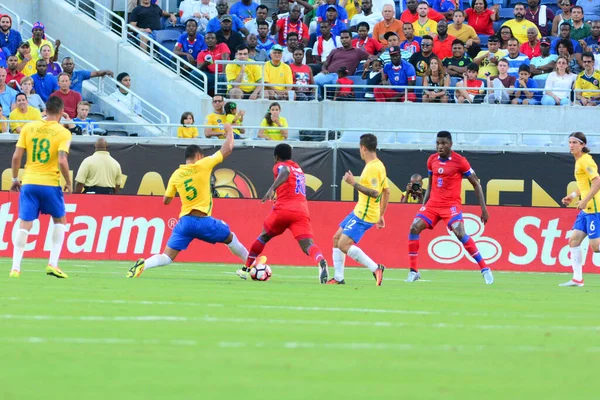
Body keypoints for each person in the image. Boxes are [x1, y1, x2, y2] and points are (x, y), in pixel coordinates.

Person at [127, 125, 250, 279]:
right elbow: (227, 149)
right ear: (199, 156)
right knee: (230, 238)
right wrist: (230, 131)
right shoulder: (203, 164)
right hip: (203, 220)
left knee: (167, 257)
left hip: (185, 223)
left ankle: (144, 264)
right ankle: (251, 264)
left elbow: (166, 200)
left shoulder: (176, 174)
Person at [407, 131, 492, 284]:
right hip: (433, 205)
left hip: (450, 206)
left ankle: (485, 268)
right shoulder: (431, 160)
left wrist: (484, 210)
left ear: (450, 144)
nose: (440, 146)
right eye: (438, 143)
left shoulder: (460, 161)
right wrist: (423, 207)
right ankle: (413, 272)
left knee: (460, 233)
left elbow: (476, 184)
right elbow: (431, 185)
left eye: (443, 143)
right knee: (414, 227)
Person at [236, 143, 330, 282]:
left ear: (276, 157)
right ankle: (320, 260)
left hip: (283, 209)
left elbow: (284, 171)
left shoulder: (279, 166)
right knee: (307, 245)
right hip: (301, 211)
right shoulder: (298, 168)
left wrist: (272, 189)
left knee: (263, 237)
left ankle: (246, 269)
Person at [9, 96, 72, 279]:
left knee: (24, 224)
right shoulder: (63, 132)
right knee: (60, 221)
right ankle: (52, 263)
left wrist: (14, 178)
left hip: (29, 182)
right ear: (61, 112)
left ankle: (15, 268)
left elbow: (16, 157)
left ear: (45, 110)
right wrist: (68, 182)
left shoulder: (29, 127)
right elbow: (62, 160)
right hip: (50, 183)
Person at [328, 133, 388, 285]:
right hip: (360, 210)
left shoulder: (372, 169)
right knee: (336, 238)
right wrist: (381, 215)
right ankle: (339, 278)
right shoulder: (378, 165)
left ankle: (375, 268)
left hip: (365, 214)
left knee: (343, 244)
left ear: (362, 148)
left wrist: (352, 183)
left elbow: (375, 193)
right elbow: (386, 191)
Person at [559, 132, 598, 287]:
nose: (571, 145)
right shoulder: (579, 161)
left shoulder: (586, 161)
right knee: (574, 241)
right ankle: (577, 279)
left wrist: (585, 201)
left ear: (583, 145)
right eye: (570, 142)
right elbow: (585, 185)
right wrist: (573, 195)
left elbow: (597, 182)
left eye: (575, 142)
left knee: (596, 248)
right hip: (586, 209)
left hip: (594, 207)